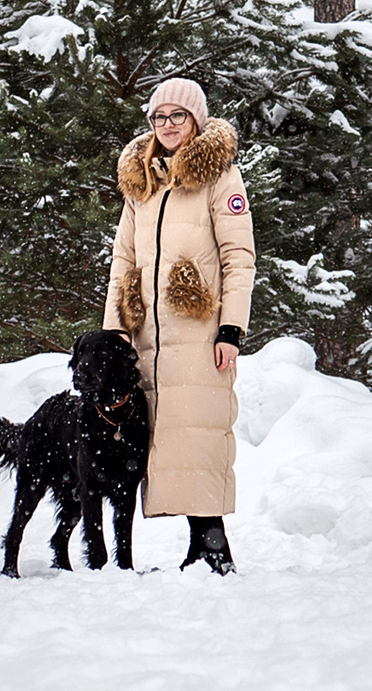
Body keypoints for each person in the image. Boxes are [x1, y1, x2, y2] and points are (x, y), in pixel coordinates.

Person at [103, 76, 256, 573]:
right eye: (159, 117)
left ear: (197, 120)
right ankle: (195, 544)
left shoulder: (220, 178)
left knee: (199, 434)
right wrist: (115, 331)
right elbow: (124, 258)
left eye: (178, 116)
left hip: (200, 334)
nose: (167, 126)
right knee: (164, 435)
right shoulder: (141, 183)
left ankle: (213, 544)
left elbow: (239, 258)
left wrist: (231, 329)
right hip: (147, 336)